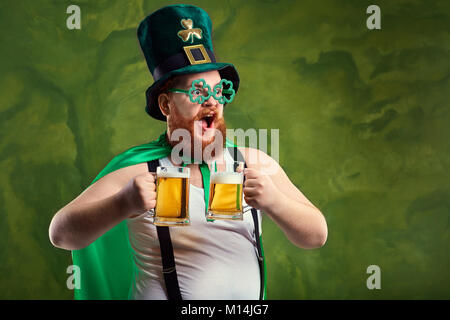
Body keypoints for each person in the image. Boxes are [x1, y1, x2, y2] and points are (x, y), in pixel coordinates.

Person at [48, 4, 327, 300]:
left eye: (220, 92)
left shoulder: (253, 162)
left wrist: (274, 201)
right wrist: (123, 202)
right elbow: (61, 234)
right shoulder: (140, 170)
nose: (212, 103)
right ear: (166, 105)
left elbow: (316, 236)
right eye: (198, 93)